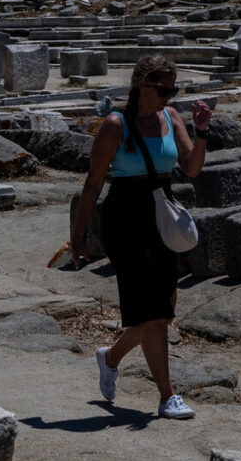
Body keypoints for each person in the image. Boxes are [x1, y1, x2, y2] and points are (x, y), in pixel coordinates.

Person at [71, 55, 208, 419]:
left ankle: (111, 357)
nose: (169, 95)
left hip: (160, 213)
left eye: (173, 88)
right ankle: (167, 397)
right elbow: (93, 183)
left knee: (163, 309)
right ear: (142, 85)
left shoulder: (171, 117)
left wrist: (202, 131)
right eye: (163, 88)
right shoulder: (115, 125)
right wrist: (78, 235)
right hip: (124, 219)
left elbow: (191, 167)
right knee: (152, 312)